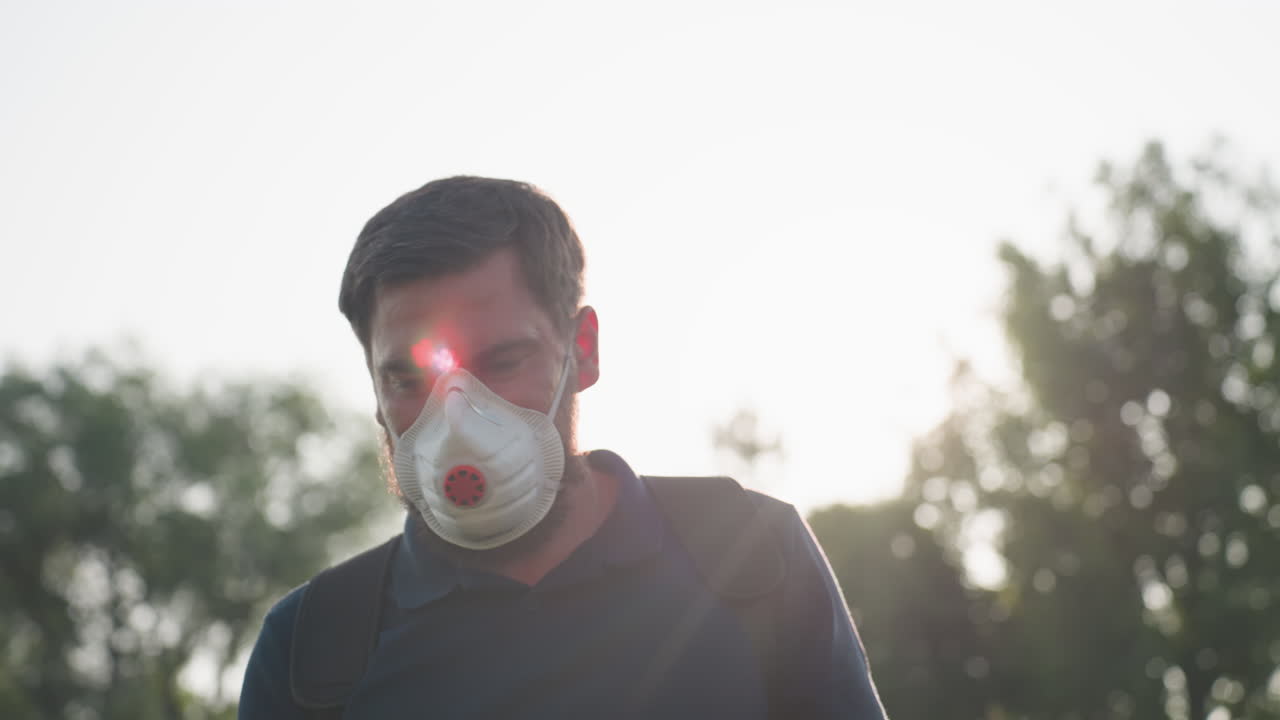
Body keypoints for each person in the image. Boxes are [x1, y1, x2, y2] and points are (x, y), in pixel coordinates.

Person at [238, 176, 888, 719]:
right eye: (407, 380)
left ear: (583, 349)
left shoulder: (751, 553)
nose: (456, 419)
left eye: (502, 360)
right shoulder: (311, 649)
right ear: (374, 390)